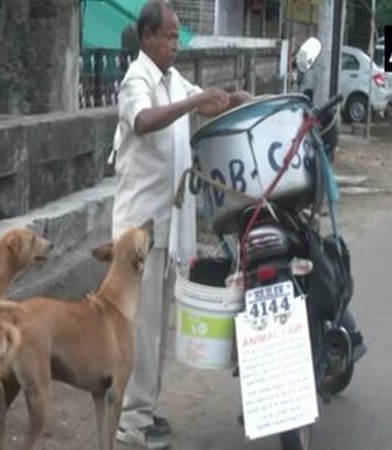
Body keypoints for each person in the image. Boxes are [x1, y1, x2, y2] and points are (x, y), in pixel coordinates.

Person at [111, 2, 251, 449]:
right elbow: (143, 120)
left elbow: (207, 103)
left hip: (164, 229)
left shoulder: (171, 80)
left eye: (177, 37)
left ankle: (146, 412)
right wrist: (194, 100)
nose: (174, 45)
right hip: (138, 229)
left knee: (156, 327)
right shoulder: (138, 80)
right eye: (169, 37)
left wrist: (238, 100)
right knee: (140, 329)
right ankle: (130, 427)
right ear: (148, 36)